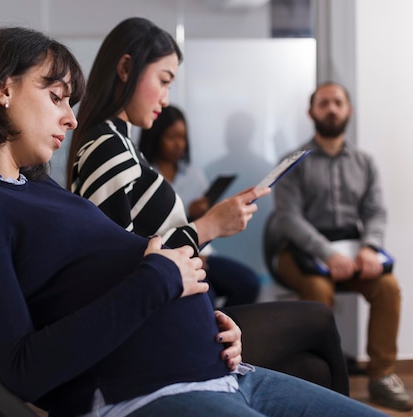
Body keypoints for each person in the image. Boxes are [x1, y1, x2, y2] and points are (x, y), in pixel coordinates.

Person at [0, 25, 388, 417]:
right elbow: (22, 367)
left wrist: (209, 324)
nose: (69, 118)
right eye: (57, 96)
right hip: (151, 392)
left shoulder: (37, 188)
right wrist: (159, 277)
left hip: (222, 373)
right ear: (3, 89)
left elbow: (101, 286)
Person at [63, 17, 352, 394]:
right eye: (164, 80)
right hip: (159, 337)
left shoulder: (120, 144)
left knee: (312, 368)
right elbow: (121, 270)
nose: (166, 98)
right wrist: (209, 226)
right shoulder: (107, 147)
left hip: (175, 320)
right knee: (317, 320)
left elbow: (136, 251)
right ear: (125, 69)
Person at [266, 81, 412, 412]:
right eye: (324, 103)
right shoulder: (293, 161)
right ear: (311, 112)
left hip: (352, 250)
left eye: (337, 102)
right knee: (319, 289)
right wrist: (326, 253)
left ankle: (382, 376)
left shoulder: (365, 162)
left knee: (388, 287)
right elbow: (288, 217)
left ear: (348, 110)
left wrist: (370, 248)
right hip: (300, 252)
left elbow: (376, 212)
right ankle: (321, 381)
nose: (331, 109)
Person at [138, 104, 261, 307]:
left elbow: (209, 221)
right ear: (155, 137)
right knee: (205, 298)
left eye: (183, 138)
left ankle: (227, 331)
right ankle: (210, 332)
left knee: (248, 283)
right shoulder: (144, 175)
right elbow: (148, 227)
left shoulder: (194, 175)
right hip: (168, 254)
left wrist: (205, 213)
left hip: (202, 250)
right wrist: (189, 213)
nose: (179, 144)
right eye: (171, 137)